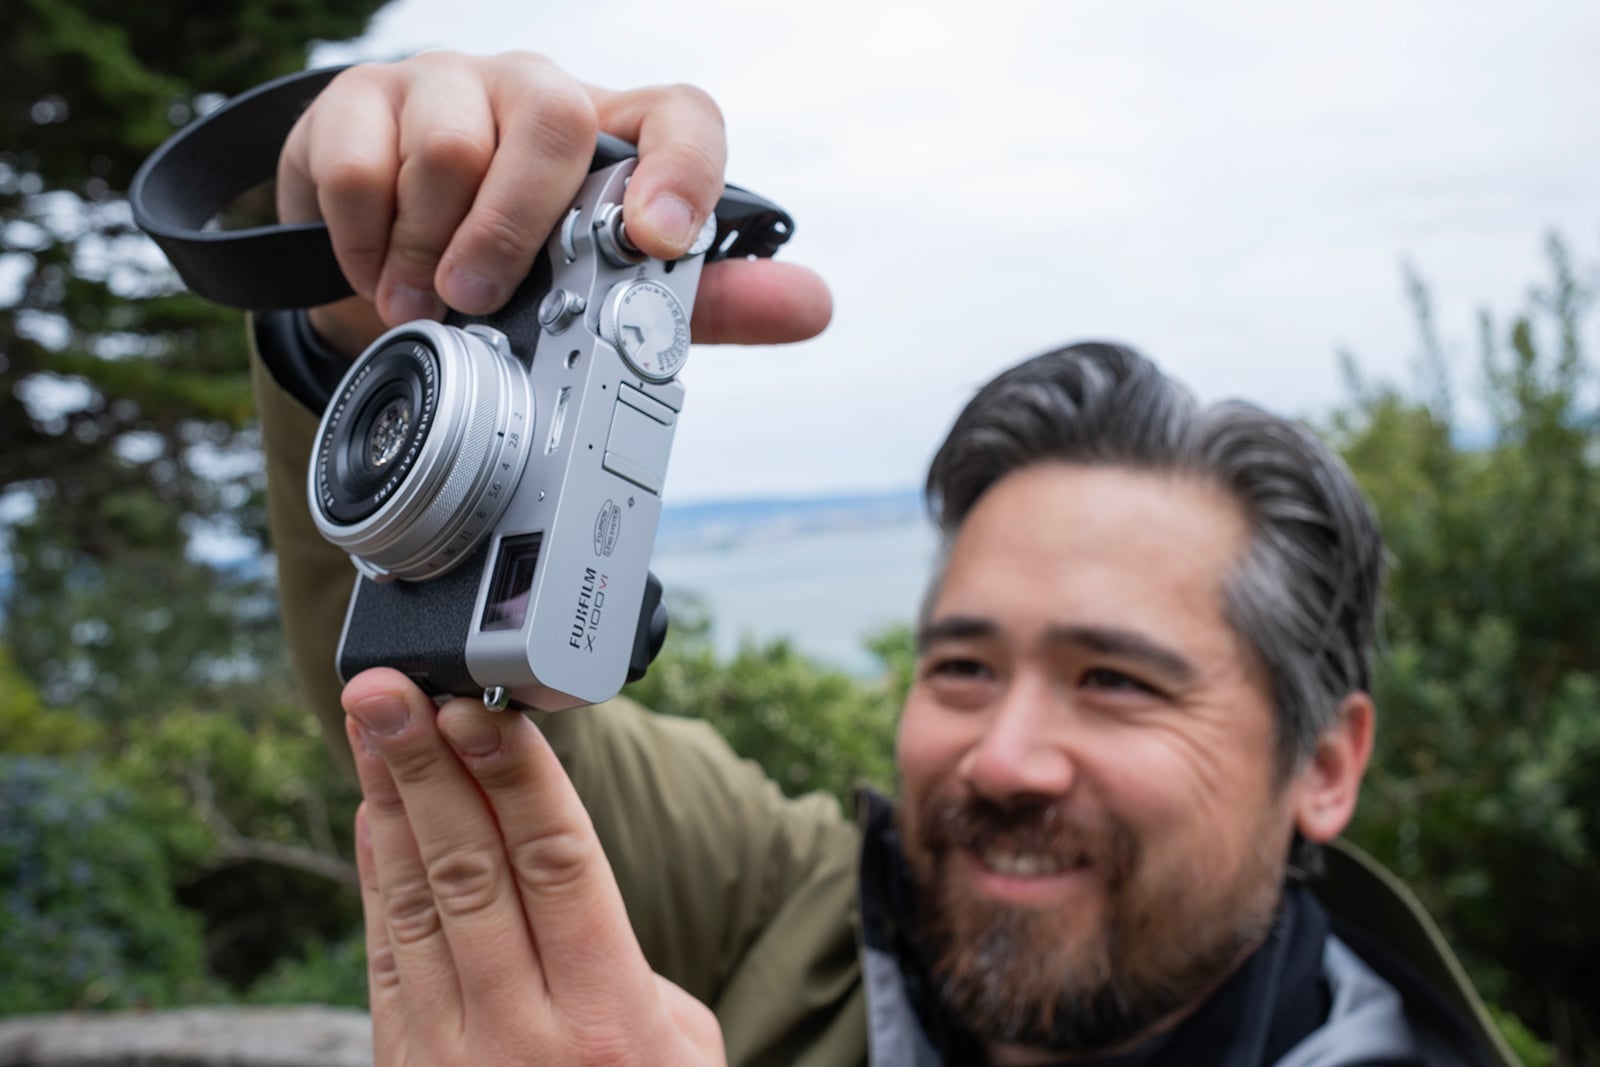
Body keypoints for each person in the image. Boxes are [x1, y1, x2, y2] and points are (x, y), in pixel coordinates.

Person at [249, 51, 1518, 1067]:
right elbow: (424, 708)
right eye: (961, 664)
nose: (1003, 757)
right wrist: (376, 329)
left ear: (1327, 762)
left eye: (1117, 681)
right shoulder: (775, 909)